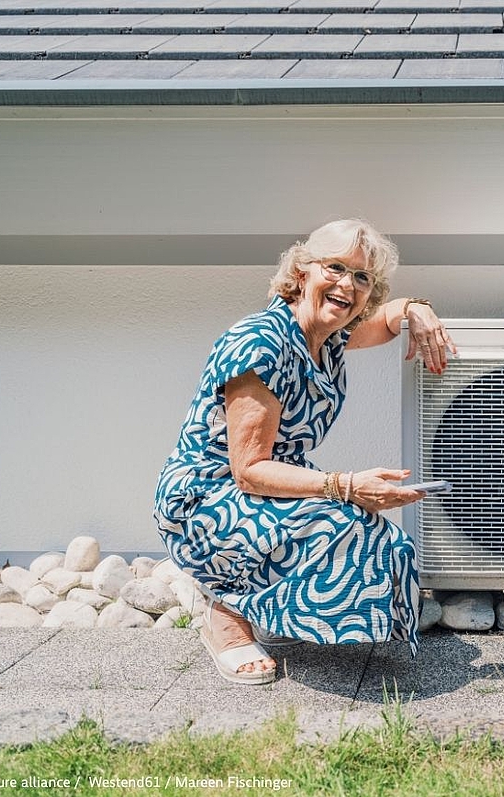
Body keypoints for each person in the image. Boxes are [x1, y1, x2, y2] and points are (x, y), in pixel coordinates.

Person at [154, 219, 457, 685]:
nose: (347, 285)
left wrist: (416, 309)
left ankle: (265, 604)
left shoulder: (327, 334)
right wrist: (347, 486)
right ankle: (224, 611)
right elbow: (249, 470)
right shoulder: (261, 343)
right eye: (335, 268)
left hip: (267, 479)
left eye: (362, 278)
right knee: (339, 528)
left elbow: (382, 322)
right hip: (207, 496)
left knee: (383, 541)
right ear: (301, 273)